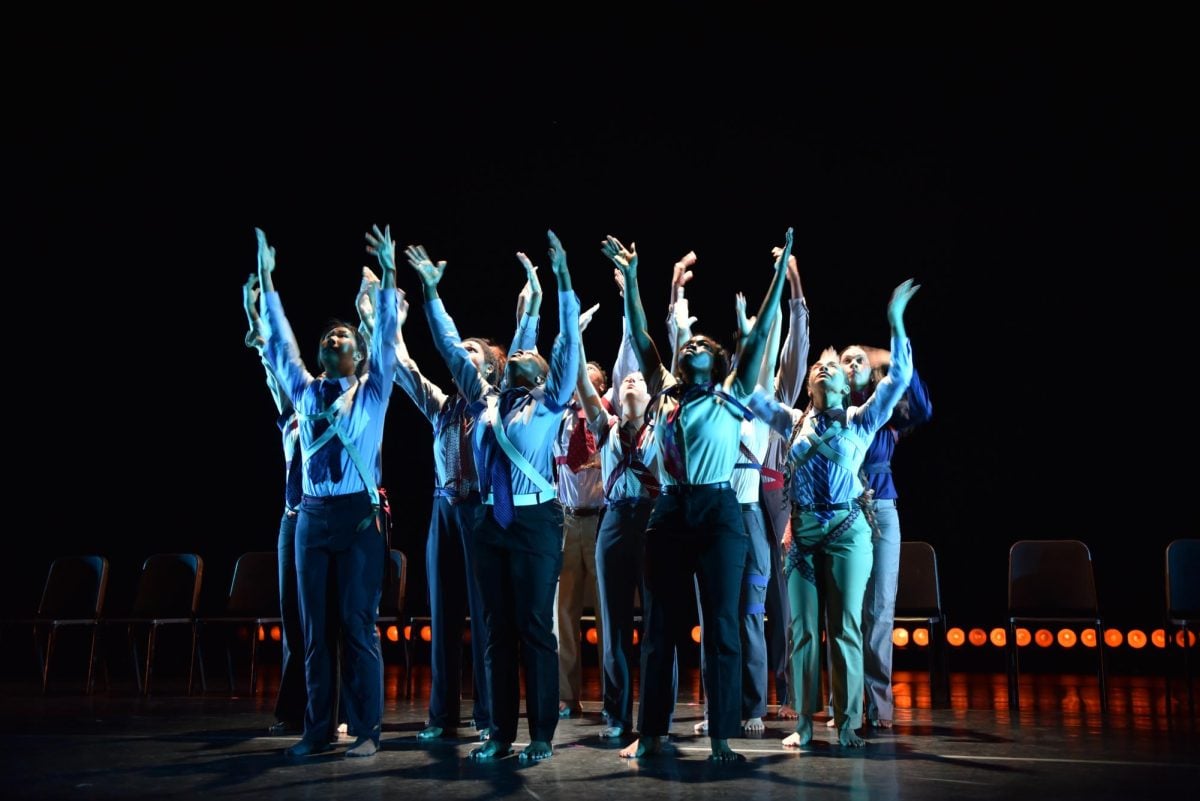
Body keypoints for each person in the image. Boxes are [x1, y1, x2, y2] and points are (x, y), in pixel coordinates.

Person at [603, 229, 793, 762]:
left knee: (722, 627)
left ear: (716, 358)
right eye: (687, 344)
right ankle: (653, 732)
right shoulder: (663, 388)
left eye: (700, 344)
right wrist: (635, 281)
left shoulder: (733, 393)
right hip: (670, 509)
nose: (690, 346)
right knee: (659, 625)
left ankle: (721, 738)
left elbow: (756, 343)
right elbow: (641, 333)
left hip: (718, 512)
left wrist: (778, 278)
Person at [409, 231, 580, 763]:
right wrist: (431, 292)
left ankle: (543, 734)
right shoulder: (482, 401)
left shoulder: (549, 404)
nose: (522, 350)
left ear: (545, 374)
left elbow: (568, 342)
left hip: (535, 523)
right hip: (488, 522)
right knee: (496, 631)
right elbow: (447, 344)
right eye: (518, 350)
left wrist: (563, 280)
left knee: (534, 628)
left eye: (532, 352)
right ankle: (501, 733)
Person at [365, 253, 540, 742]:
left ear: (489, 365)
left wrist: (528, 307)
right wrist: (387, 318)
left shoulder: (496, 402)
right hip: (445, 510)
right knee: (442, 615)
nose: (462, 355)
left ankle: (490, 715)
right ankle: (442, 716)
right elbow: (402, 366)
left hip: (483, 510)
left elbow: (523, 351)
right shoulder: (443, 405)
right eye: (459, 349)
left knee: (488, 618)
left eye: (472, 351)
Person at [750, 278, 919, 749]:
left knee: (844, 626)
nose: (825, 370)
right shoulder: (792, 420)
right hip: (802, 532)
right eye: (819, 369)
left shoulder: (862, 419)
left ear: (849, 384)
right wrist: (756, 335)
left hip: (848, 531)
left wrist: (896, 323)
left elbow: (899, 378)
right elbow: (753, 390)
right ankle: (804, 723)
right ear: (809, 385)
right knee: (803, 631)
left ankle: (848, 723)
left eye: (833, 368)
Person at [257, 225, 399, 759]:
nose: (332, 339)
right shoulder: (304, 391)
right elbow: (280, 343)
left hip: (359, 519)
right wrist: (269, 283)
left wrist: (388, 276)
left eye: (343, 337)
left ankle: (366, 732)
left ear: (359, 356)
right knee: (315, 633)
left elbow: (386, 335)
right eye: (327, 337)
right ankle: (316, 730)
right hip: (312, 519)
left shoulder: (374, 391)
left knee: (357, 627)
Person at [574, 298, 655, 742]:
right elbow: (583, 385)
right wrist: (576, 333)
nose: (630, 379)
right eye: (626, 377)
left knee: (658, 623)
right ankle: (618, 714)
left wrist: (632, 295)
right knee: (614, 623)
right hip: (614, 522)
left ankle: (655, 715)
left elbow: (657, 363)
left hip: (653, 522)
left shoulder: (661, 423)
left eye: (639, 379)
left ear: (651, 394)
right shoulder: (604, 426)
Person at [840, 343, 932, 729]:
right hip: (839, 515)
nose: (854, 363)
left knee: (878, 611)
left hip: (880, 510)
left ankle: (877, 705)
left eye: (861, 358)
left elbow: (923, 409)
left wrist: (891, 360)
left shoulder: (886, 407)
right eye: (846, 359)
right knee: (844, 612)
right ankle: (844, 704)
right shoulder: (829, 408)